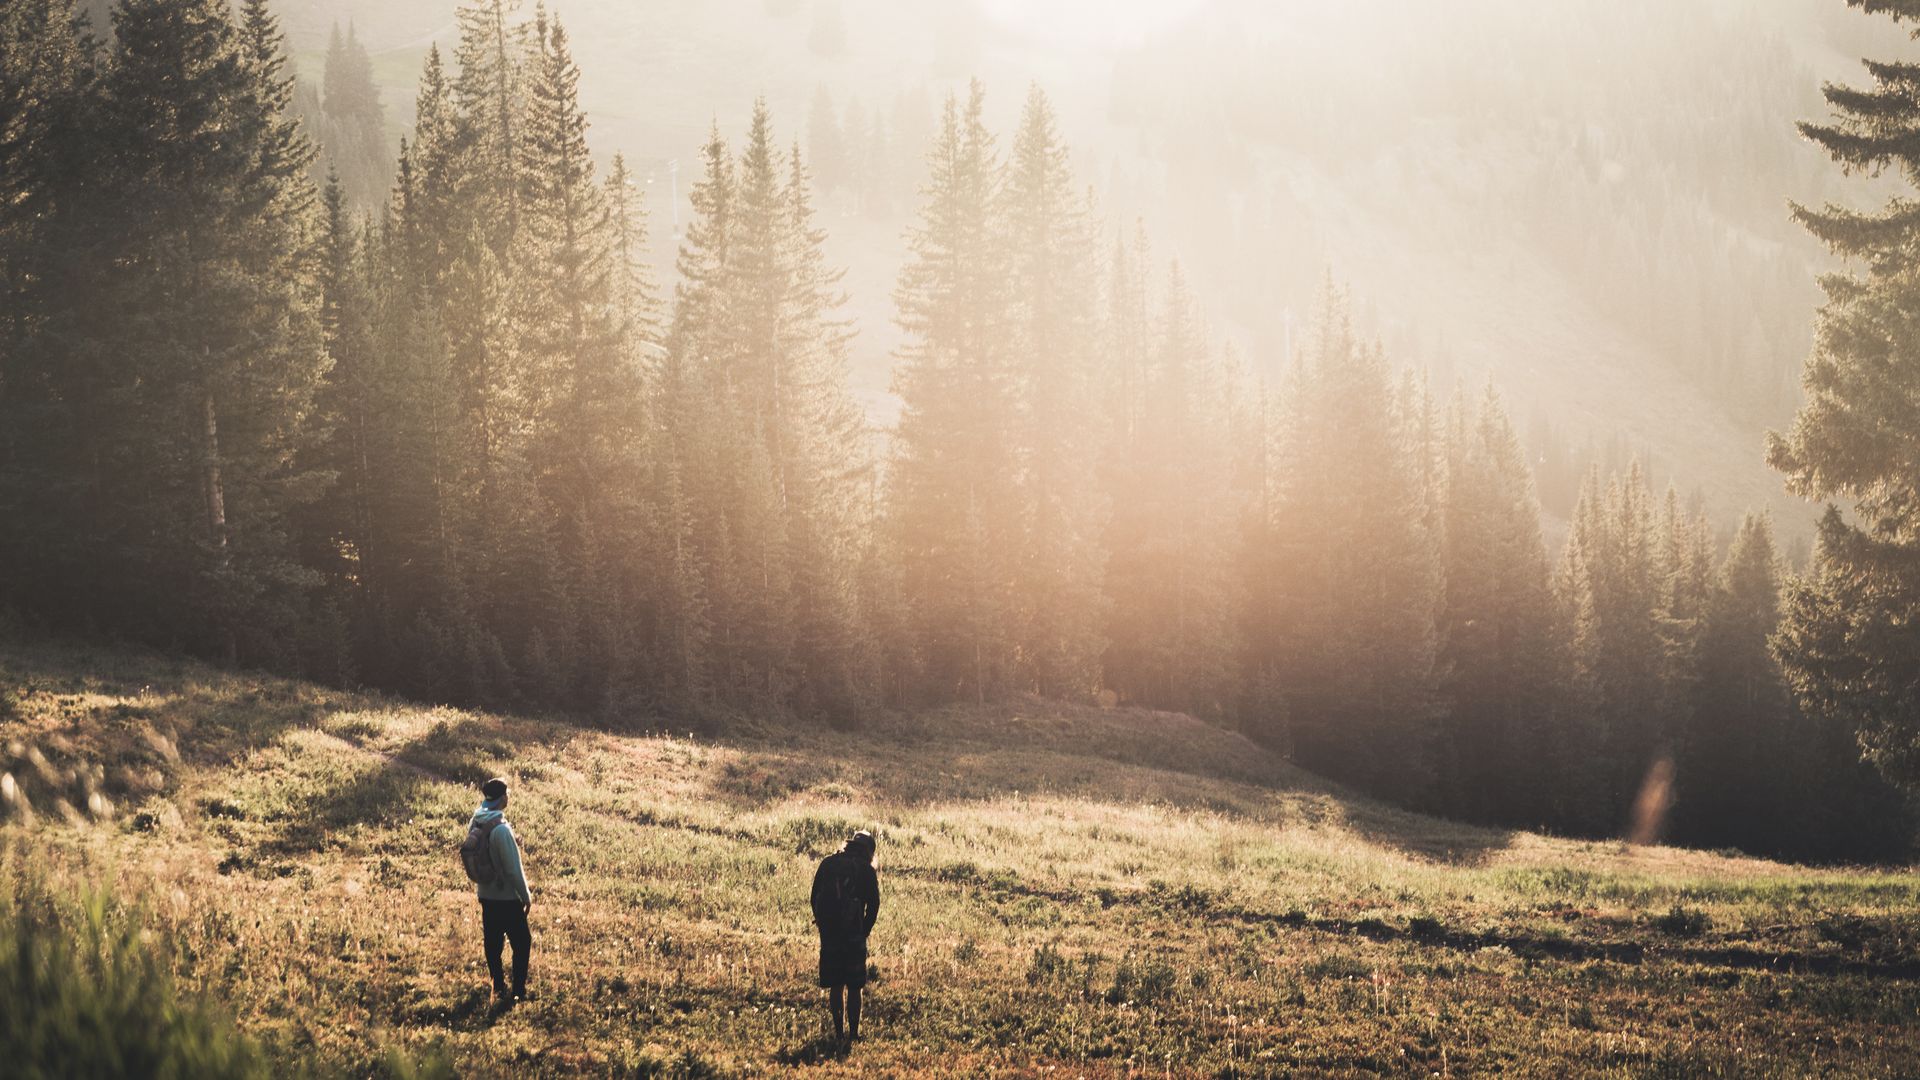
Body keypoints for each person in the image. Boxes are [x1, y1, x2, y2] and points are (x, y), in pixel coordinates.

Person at [462, 776, 533, 1006]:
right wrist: (526, 896)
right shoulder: (501, 829)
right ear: (503, 798)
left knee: (493, 944)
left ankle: (498, 985)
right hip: (507, 898)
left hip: (486, 895)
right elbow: (513, 869)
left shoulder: (476, 821)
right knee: (522, 942)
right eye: (507, 794)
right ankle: (518, 991)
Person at [809, 830, 880, 1042]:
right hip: (854, 934)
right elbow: (874, 905)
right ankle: (854, 1034)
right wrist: (864, 930)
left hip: (830, 933)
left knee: (836, 984)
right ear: (869, 851)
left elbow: (814, 897)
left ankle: (839, 1033)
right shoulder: (867, 870)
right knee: (855, 987)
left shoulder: (828, 863)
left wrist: (823, 925)